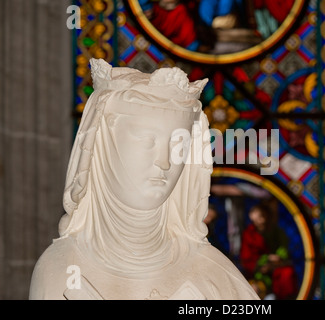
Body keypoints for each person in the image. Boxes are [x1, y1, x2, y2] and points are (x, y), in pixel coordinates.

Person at [29, 59, 259, 300]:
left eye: (178, 145)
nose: (164, 162)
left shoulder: (214, 275)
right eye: (148, 141)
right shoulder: (61, 270)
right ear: (103, 144)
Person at [240, 203, 298, 299]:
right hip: (257, 274)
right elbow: (247, 258)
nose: (260, 222)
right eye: (255, 220)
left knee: (287, 275)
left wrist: (276, 259)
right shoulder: (249, 234)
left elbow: (283, 250)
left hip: (277, 268)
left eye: (261, 217)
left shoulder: (277, 232)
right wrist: (264, 261)